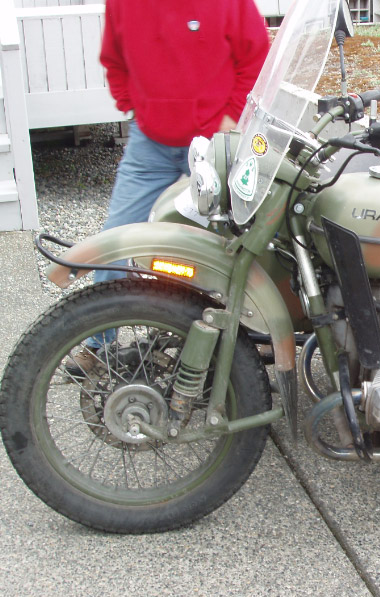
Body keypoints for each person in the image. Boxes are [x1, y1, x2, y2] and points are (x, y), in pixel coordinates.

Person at [66, 0, 270, 375]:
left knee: (228, 246)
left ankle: (233, 347)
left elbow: (256, 58)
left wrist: (230, 116)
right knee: (115, 238)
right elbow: (114, 59)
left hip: (215, 144)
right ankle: (98, 345)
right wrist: (134, 106)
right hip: (150, 145)